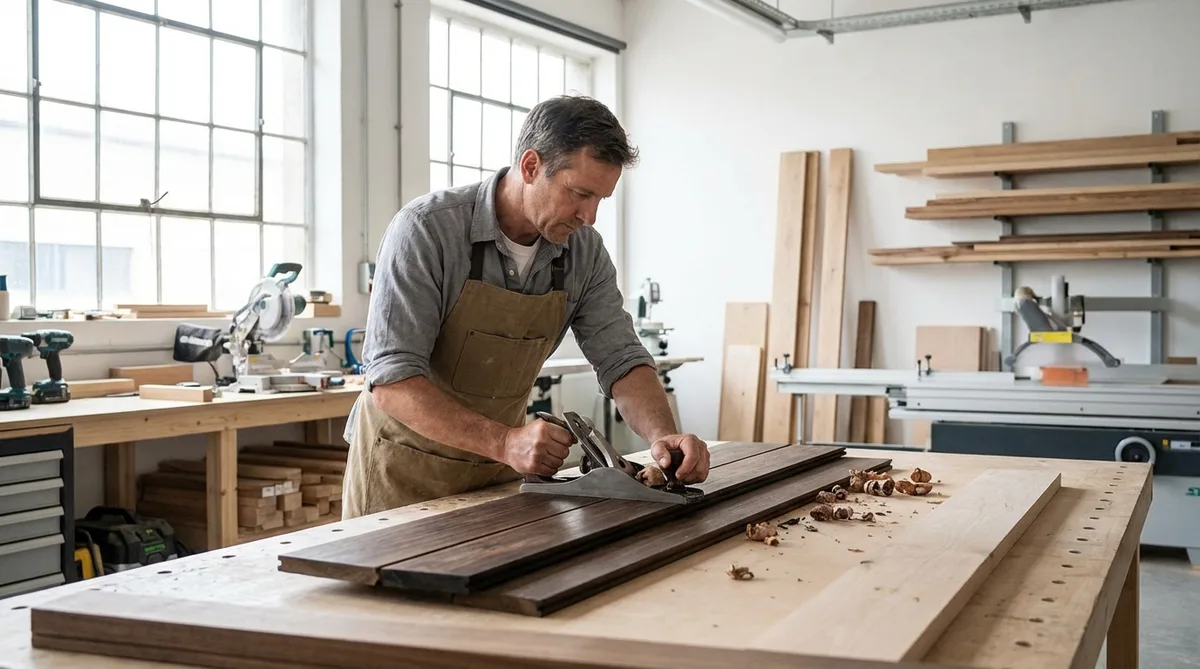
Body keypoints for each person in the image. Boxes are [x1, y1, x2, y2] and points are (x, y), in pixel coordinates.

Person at [341, 95, 711, 518]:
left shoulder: (583, 253)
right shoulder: (427, 230)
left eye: (600, 200)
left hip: (498, 474)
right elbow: (392, 381)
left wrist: (663, 437)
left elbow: (621, 358)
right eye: (580, 193)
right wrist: (503, 441)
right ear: (531, 166)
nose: (589, 216)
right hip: (403, 474)